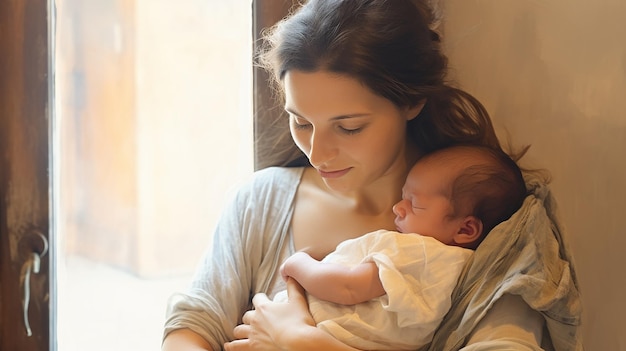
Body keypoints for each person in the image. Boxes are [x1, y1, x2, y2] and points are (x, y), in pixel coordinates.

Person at [162, 1, 582, 350]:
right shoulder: (260, 200)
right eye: (301, 121)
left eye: (349, 127)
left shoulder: (493, 224)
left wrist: (304, 343)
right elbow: (193, 324)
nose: (317, 153)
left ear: (412, 102)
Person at [273, 145, 527, 350]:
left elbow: (347, 287)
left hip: (312, 326)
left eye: (414, 203)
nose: (398, 207)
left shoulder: (419, 250)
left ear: (465, 230)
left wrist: (299, 263)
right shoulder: (461, 271)